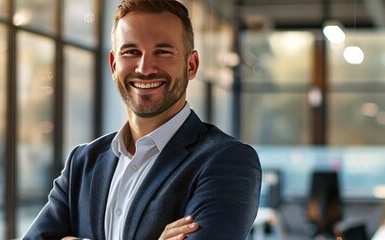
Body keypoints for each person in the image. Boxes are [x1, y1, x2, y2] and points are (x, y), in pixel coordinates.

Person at [22, 0, 262, 239]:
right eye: (131, 52)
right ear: (114, 64)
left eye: (162, 52)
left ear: (191, 65)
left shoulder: (228, 161)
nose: (145, 68)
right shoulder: (83, 163)